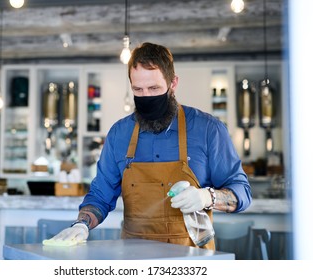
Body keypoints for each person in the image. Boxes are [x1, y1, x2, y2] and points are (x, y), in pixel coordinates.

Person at [47, 42, 252, 250]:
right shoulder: (120, 134)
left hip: (192, 260)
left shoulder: (209, 129)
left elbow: (242, 193)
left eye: (154, 88)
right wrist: (82, 224)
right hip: (134, 259)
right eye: (138, 89)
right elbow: (101, 195)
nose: (145, 96)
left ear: (173, 83)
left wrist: (207, 196)